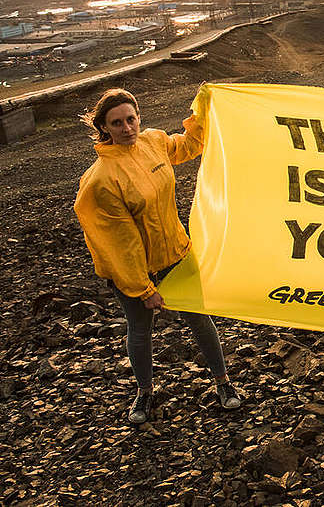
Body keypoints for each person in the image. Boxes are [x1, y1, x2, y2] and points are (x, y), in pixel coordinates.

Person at [74, 88, 241, 424]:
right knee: (139, 328)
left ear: (139, 116)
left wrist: (202, 112)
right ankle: (145, 392)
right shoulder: (101, 180)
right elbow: (120, 242)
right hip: (133, 270)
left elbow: (189, 147)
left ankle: (224, 383)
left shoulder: (155, 142)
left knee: (199, 318)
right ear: (104, 128)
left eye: (131, 119)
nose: (127, 128)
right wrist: (143, 287)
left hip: (177, 252)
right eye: (117, 123)